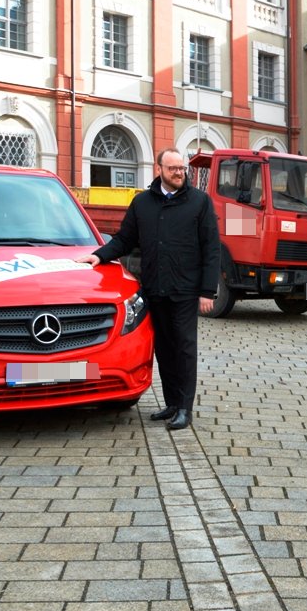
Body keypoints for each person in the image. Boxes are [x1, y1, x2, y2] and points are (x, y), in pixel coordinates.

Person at [76, 148, 220, 430]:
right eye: (173, 169)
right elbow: (124, 239)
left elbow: (211, 249)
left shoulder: (199, 202)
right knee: (164, 348)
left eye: (182, 168)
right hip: (155, 289)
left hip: (186, 290)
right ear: (160, 170)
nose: (179, 173)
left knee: (184, 349)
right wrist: (99, 255)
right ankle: (170, 404)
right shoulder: (142, 203)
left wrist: (207, 291)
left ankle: (184, 408)